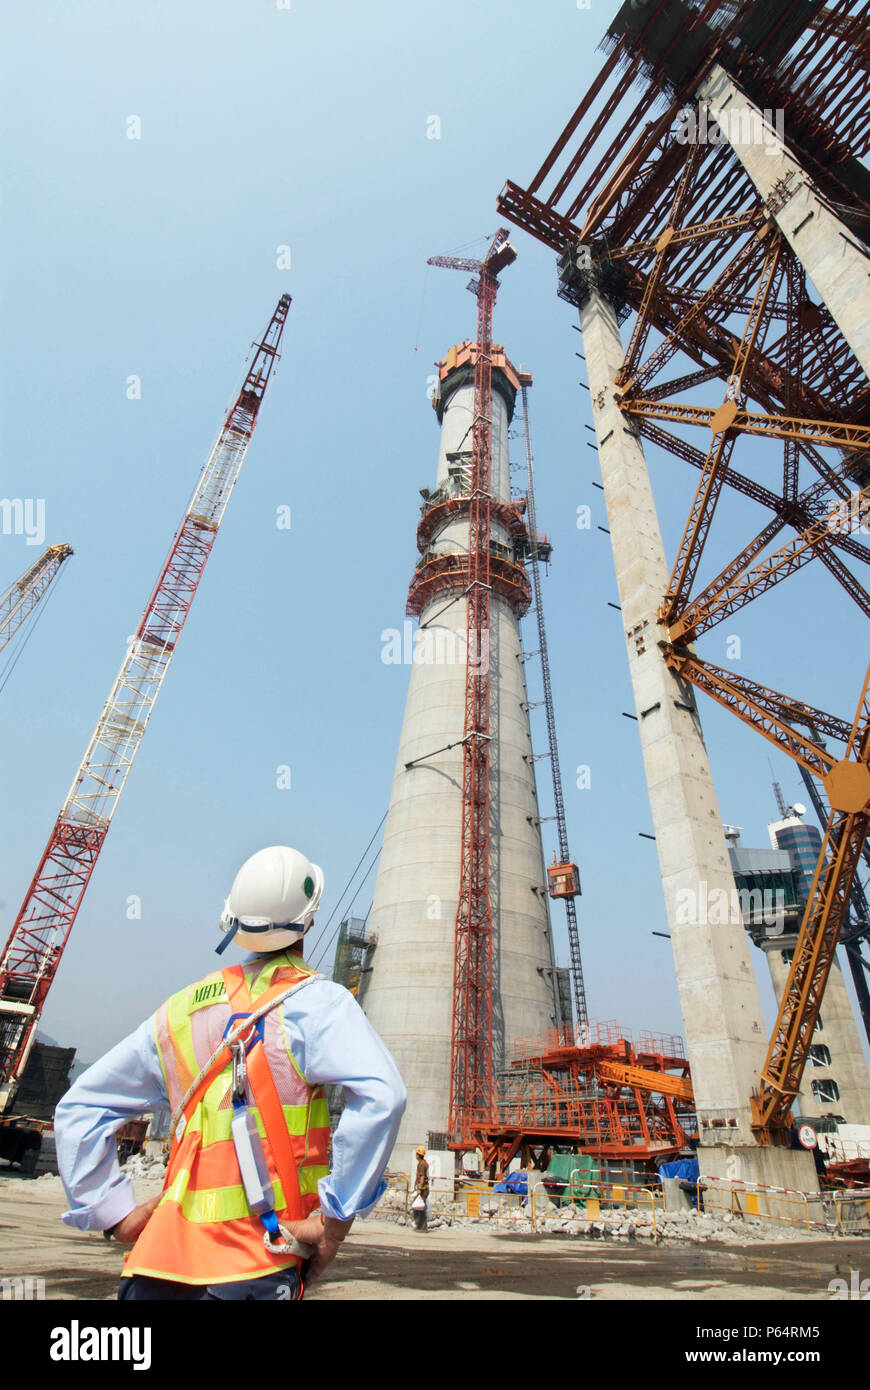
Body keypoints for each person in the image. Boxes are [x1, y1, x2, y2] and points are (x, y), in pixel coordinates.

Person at [55, 845, 406, 1300]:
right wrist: (335, 1219)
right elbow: (385, 1096)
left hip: (154, 1267)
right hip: (254, 1264)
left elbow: (80, 1108)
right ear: (310, 920)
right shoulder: (317, 1005)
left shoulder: (181, 1010)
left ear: (233, 923)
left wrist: (112, 1211)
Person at [412, 1144, 429, 1232]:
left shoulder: (422, 1164)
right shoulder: (423, 1163)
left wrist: (419, 1188)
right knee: (419, 1208)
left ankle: (422, 1227)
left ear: (418, 1154)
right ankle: (420, 1226)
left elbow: (422, 1177)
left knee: (420, 1208)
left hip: (423, 1189)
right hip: (423, 1188)